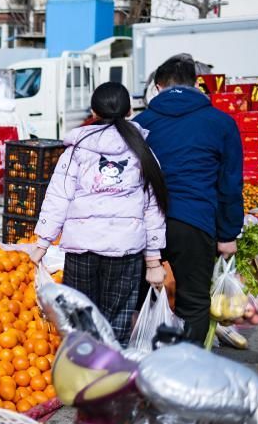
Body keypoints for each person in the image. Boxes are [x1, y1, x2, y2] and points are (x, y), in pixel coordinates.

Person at [30, 82, 168, 344]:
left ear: (93, 111)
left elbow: (58, 197)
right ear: (129, 112)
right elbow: (153, 209)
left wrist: (42, 243)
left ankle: (84, 373)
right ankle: (112, 376)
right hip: (125, 251)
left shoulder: (76, 151)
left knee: (81, 318)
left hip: (83, 248)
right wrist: (153, 261)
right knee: (116, 321)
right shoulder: (143, 152)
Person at [132, 54, 243, 344]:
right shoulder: (221, 123)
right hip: (196, 222)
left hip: (145, 224)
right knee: (193, 303)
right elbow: (230, 182)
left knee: (145, 297)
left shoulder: (141, 123)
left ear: (157, 86)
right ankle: (188, 373)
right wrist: (228, 232)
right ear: (196, 84)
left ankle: (148, 364)